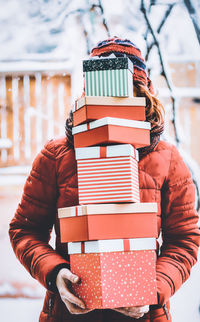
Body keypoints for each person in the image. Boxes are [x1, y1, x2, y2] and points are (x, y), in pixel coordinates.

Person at [9, 37, 200, 322]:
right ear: (88, 94)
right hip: (68, 313)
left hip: (145, 316)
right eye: (104, 93)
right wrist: (56, 274)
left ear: (143, 94)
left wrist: (154, 289)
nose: (114, 104)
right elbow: (25, 231)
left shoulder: (167, 159)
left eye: (127, 93)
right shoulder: (56, 156)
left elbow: (184, 240)